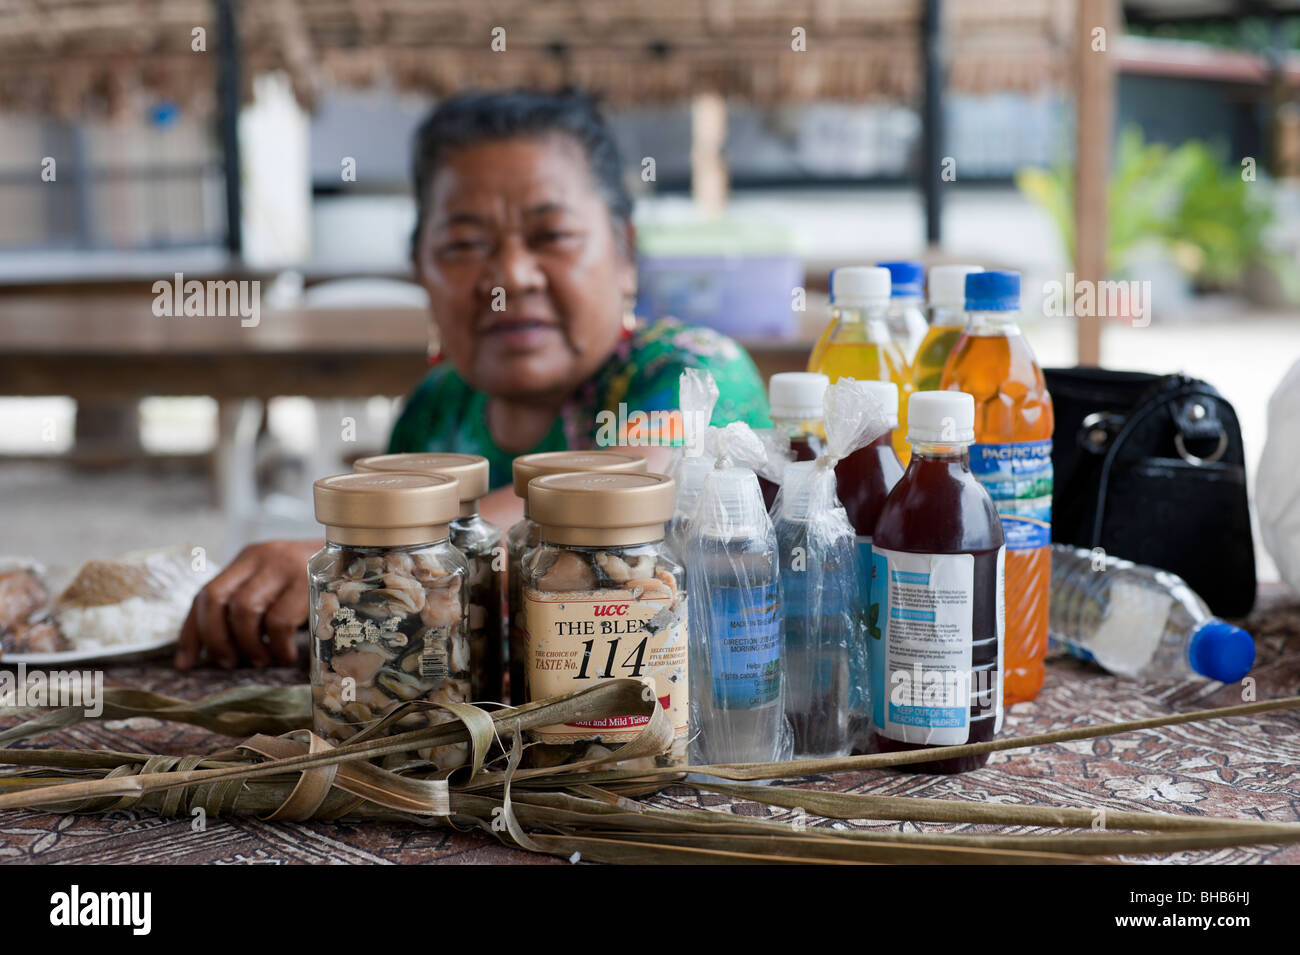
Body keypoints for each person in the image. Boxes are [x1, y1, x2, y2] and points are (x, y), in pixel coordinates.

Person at [176, 89, 770, 669]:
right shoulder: (437, 407)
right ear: (421, 271)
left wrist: (363, 561)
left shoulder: (694, 375)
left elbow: (602, 514)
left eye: (552, 236)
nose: (510, 275)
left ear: (625, 255)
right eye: (464, 243)